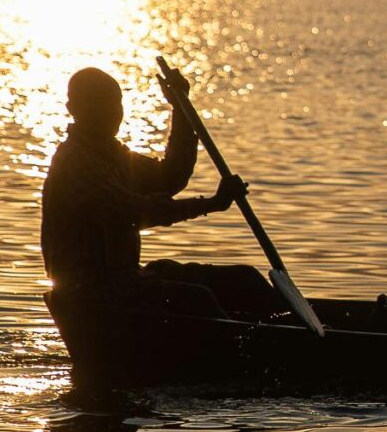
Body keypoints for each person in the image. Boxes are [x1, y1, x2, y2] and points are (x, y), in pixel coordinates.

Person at [40, 64, 273, 320]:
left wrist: (180, 109)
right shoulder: (76, 162)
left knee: (244, 279)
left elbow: (170, 177)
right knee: (198, 299)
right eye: (100, 104)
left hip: (124, 279)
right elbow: (133, 212)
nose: (112, 112)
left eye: (115, 103)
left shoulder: (113, 155)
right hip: (91, 291)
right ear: (73, 110)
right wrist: (211, 204)